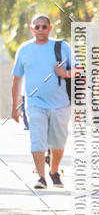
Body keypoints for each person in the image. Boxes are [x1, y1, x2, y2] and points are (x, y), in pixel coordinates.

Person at [11, 14, 77, 190]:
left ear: (50, 28)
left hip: (60, 103)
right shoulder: (24, 49)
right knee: (37, 140)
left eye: (44, 27)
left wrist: (65, 73)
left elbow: (78, 69)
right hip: (34, 102)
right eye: (37, 26)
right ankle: (41, 177)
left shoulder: (62, 46)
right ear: (31, 28)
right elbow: (17, 79)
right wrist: (14, 107)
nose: (40, 30)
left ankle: (54, 171)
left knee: (58, 143)